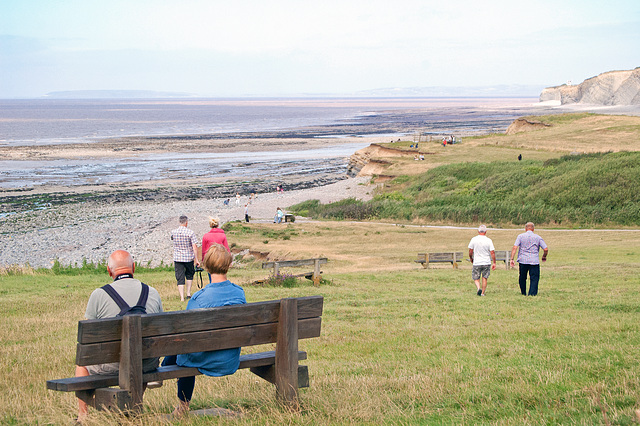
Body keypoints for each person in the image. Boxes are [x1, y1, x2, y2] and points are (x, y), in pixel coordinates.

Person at [75, 250, 163, 421]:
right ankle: (134, 404)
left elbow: (90, 339)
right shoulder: (152, 292)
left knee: (82, 363)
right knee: (141, 353)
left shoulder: (99, 295)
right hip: (145, 363)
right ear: (134, 268)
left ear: (109, 271)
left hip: (112, 366)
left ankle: (83, 416)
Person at [163, 243, 246, 416]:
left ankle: (182, 406)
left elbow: (186, 335)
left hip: (204, 359)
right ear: (229, 265)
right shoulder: (239, 294)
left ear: (206, 266)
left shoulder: (199, 299)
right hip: (229, 359)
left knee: (180, 353)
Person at [510, 222, 549, 296]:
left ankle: (523, 292)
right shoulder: (538, 237)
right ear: (533, 229)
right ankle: (532, 293)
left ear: (525, 228)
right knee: (534, 278)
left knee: (522, 277)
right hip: (534, 261)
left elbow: (515, 247)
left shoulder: (520, 236)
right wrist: (544, 256)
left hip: (523, 260)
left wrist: (512, 258)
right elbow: (546, 249)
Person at [171, 215, 200, 301]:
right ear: (186, 222)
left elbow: (172, 239)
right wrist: (197, 259)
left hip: (178, 257)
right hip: (188, 257)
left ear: (179, 222)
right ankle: (188, 293)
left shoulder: (173, 232)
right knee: (189, 275)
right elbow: (194, 247)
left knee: (179, 277)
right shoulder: (190, 232)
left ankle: (181, 297)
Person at [468, 225, 496, 296]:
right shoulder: (489, 240)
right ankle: (482, 293)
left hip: (477, 262)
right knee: (484, 277)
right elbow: (492, 252)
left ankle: (478, 288)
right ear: (486, 232)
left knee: (476, 277)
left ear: (478, 231)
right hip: (486, 261)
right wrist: (494, 262)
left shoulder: (474, 239)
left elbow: (470, 251)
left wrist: (471, 258)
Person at [201, 217, 230, 283]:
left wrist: (203, 261)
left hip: (210, 259)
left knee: (211, 276)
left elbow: (204, 250)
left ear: (210, 225)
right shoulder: (223, 235)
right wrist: (229, 261)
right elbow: (226, 249)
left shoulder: (206, 236)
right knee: (222, 275)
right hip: (221, 259)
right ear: (218, 225)